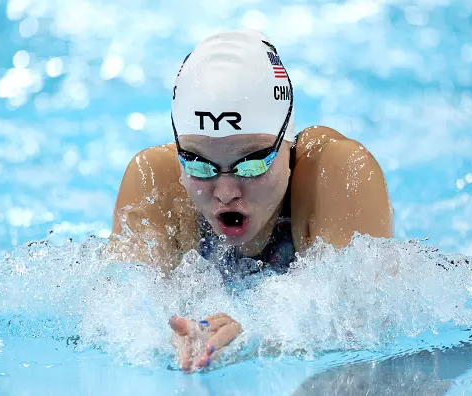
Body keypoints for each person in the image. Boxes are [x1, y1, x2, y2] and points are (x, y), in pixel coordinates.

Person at [108, 29, 394, 373]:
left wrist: (254, 337)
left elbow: (367, 326)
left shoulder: (336, 173)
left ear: (286, 142)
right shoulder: (155, 181)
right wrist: (162, 335)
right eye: (199, 164)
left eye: (251, 163)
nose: (226, 191)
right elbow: (115, 316)